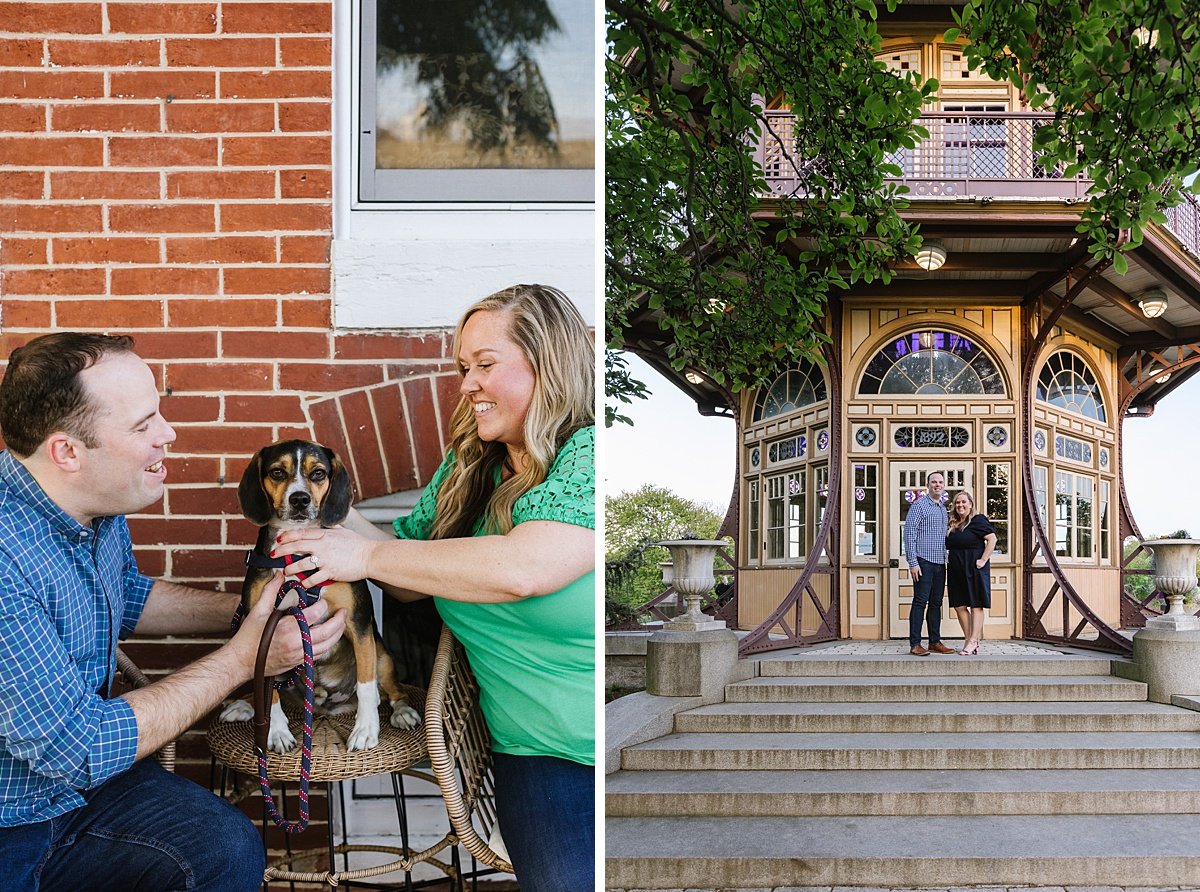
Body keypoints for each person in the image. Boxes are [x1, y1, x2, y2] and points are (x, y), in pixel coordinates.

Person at [274, 283, 595, 892]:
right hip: (540, 753)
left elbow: (524, 569)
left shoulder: (590, 452)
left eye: (485, 365)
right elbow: (408, 584)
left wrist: (364, 554)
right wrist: (322, 493)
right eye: (462, 368)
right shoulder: (471, 465)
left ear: (547, 364)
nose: (467, 383)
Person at [0, 333, 346, 892]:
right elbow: (75, 748)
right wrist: (243, 657)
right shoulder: (5, 554)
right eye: (143, 425)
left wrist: (260, 610)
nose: (169, 434)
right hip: (15, 819)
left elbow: (129, 596)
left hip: (77, 790)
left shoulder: (93, 504)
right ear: (67, 451)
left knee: (225, 846)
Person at [903, 471, 955, 656]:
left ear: (944, 485)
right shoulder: (919, 506)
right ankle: (915, 644)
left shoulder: (942, 508)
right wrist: (913, 562)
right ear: (928, 485)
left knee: (936, 603)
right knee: (919, 602)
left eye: (940, 482)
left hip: (941, 563)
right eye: (934, 482)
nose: (937, 485)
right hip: (923, 562)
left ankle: (934, 641)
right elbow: (909, 535)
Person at [946, 490, 997, 656]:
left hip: (974, 568)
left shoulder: (978, 520)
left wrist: (983, 560)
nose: (960, 505)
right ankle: (970, 639)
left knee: (976, 605)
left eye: (963, 502)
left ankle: (973, 640)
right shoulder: (952, 523)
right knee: (959, 605)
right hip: (956, 568)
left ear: (970, 504)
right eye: (957, 502)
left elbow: (992, 539)